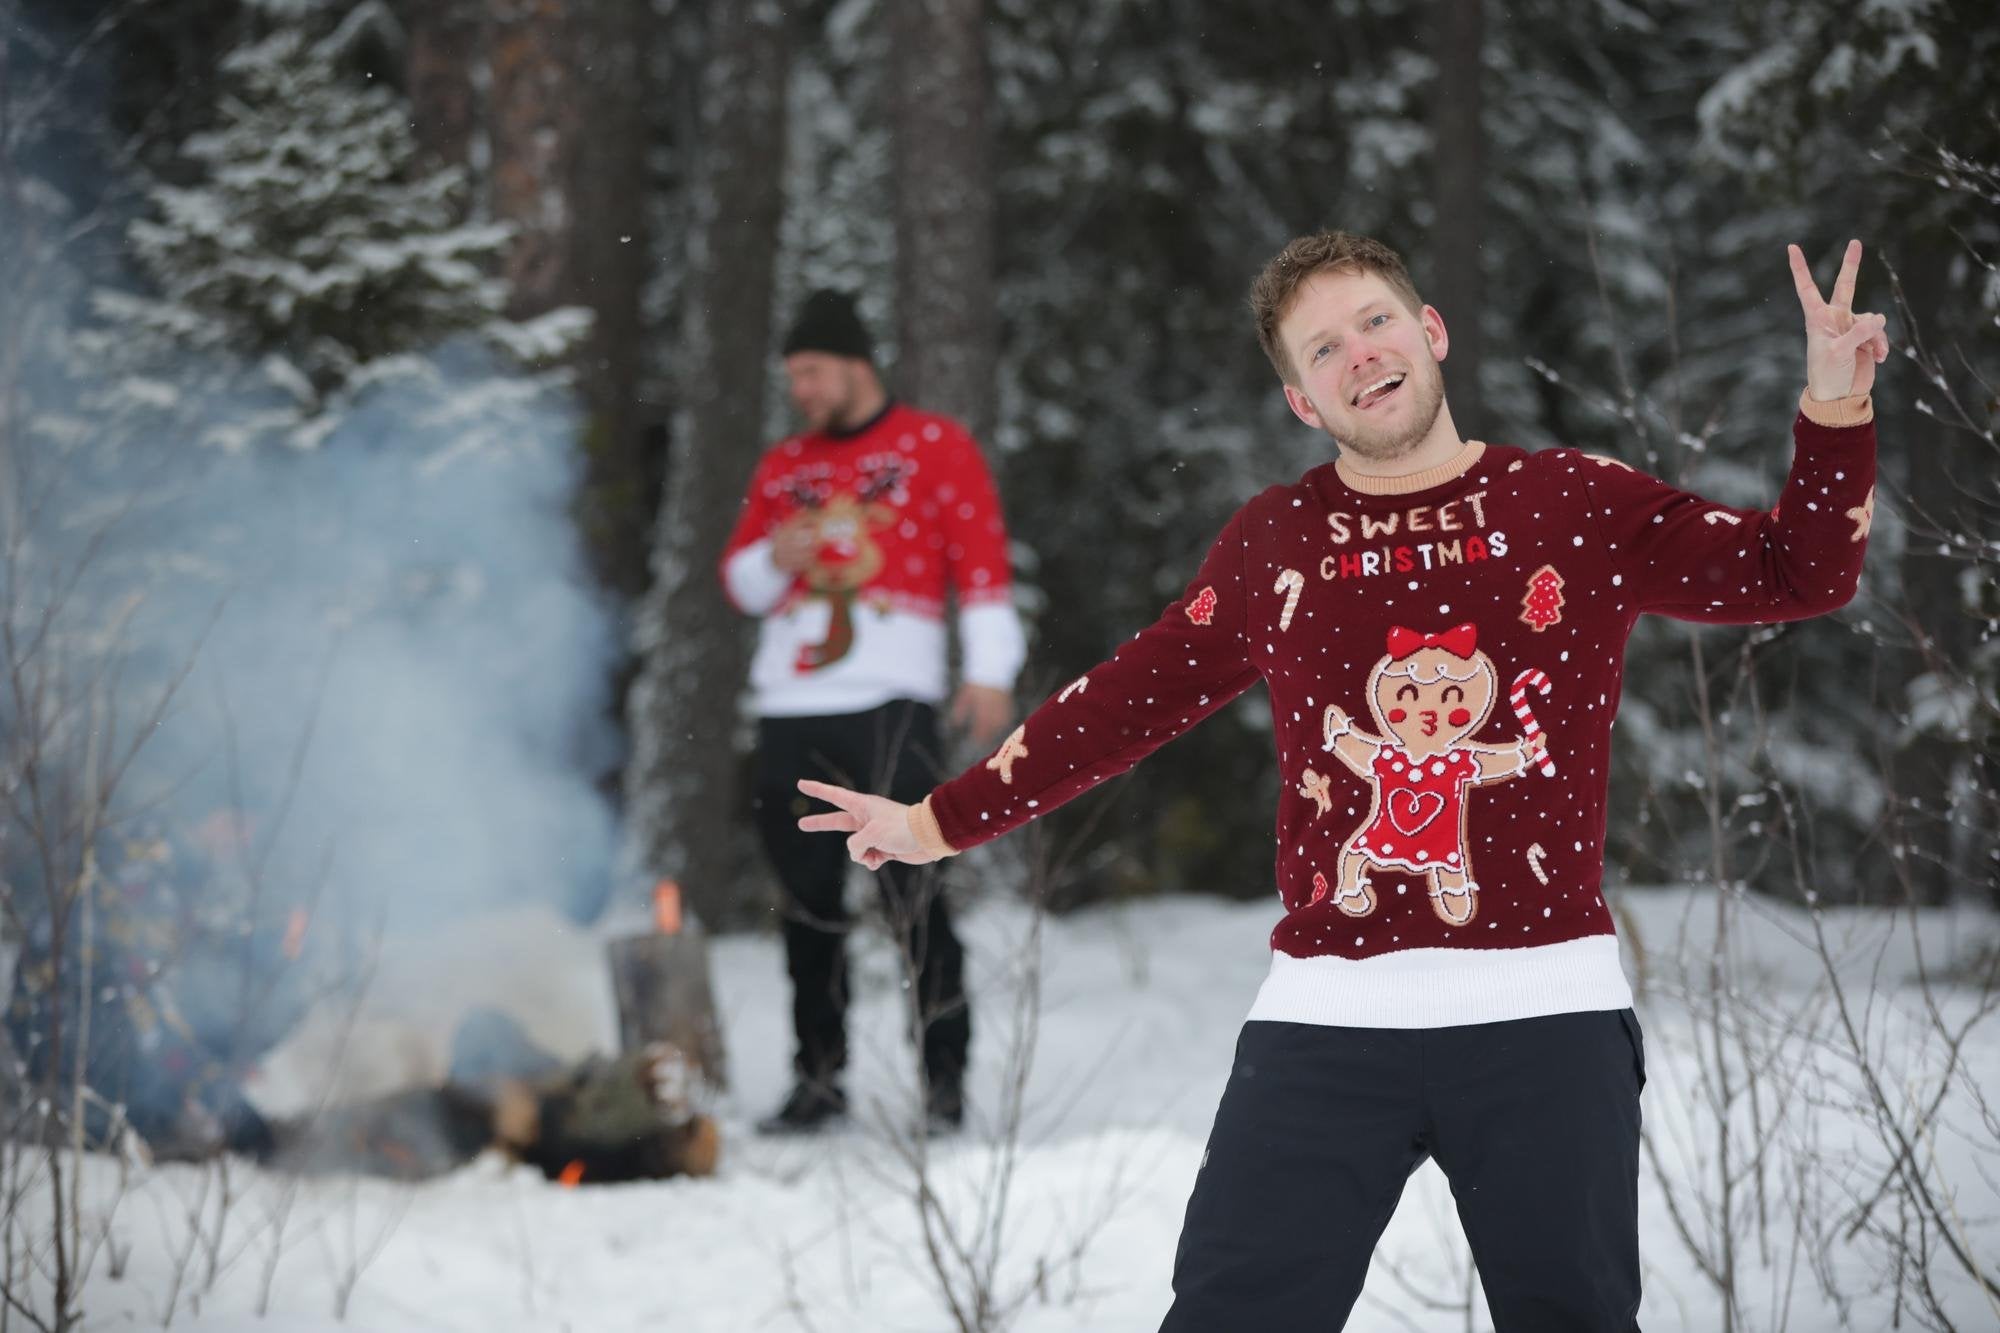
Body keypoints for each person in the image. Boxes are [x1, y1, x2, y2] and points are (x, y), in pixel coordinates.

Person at [795, 233, 1886, 1326]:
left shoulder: (1570, 502)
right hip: (1325, 1024)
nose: (1357, 354)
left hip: (1543, 1018)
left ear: (1430, 331)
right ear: (1300, 401)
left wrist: (1831, 410)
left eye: (1373, 322)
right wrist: (941, 818)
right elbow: (1125, 700)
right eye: (1322, 350)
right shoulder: (1278, 542)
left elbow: (1798, 570)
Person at [720, 289, 1025, 1135]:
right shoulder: (784, 464)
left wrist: (991, 672)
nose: (803, 391)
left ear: (856, 363)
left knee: (915, 889)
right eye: (794, 376)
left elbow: (983, 559)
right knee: (805, 902)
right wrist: (772, 556)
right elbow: (739, 583)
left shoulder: (934, 446)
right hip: (791, 703)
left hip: (891, 701)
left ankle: (944, 1080)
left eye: (812, 372)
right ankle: (817, 1079)